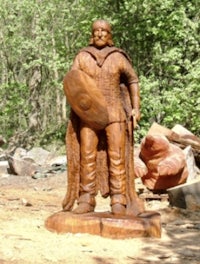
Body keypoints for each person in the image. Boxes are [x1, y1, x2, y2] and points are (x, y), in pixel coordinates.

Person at [62, 19, 144, 215]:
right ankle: (86, 198)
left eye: (104, 31)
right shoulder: (82, 57)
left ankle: (118, 199)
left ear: (109, 35)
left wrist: (136, 107)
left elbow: (132, 80)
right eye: (96, 30)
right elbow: (73, 83)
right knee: (86, 156)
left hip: (115, 113)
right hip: (88, 115)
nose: (99, 34)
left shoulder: (118, 57)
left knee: (116, 157)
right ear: (92, 34)